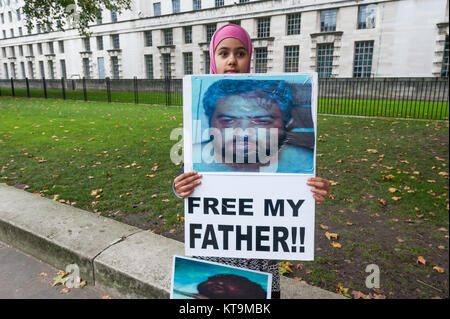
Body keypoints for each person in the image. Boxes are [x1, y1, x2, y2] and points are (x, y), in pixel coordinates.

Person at [173, 24, 331, 299]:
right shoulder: (198, 152)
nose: (232, 60)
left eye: (240, 52)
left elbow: (299, 194)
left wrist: (312, 191)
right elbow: (184, 181)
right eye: (223, 53)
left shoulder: (297, 161)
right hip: (212, 259)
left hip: (260, 263)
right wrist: (179, 187)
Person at [193, 78, 314, 173]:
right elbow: (182, 187)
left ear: (288, 123)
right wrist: (181, 187)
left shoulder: (307, 164)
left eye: (262, 122)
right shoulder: (194, 159)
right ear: (209, 121)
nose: (243, 132)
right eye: (228, 120)